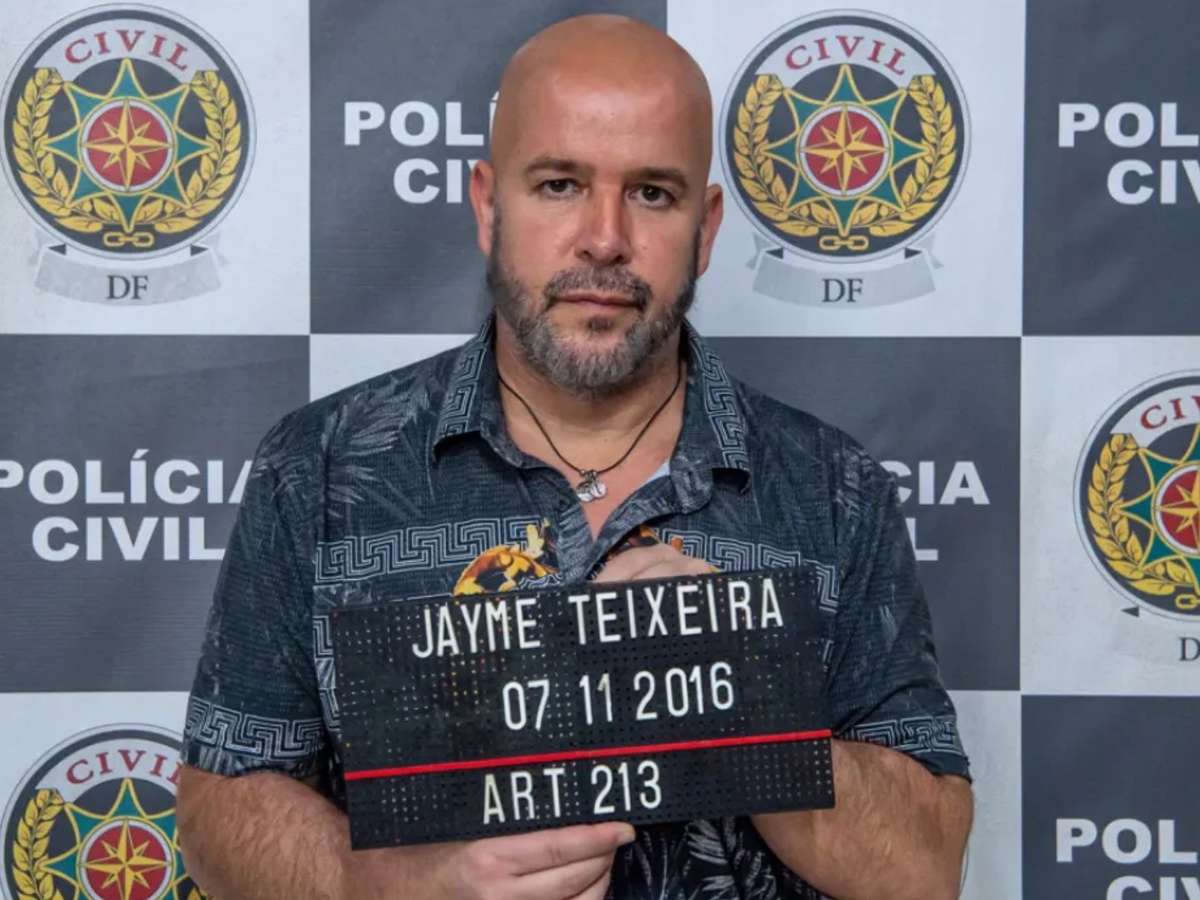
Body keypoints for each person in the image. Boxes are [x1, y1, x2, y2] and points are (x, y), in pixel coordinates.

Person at [176, 13, 973, 900]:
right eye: (559, 185)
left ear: (707, 228)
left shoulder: (834, 489)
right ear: (489, 208)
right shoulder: (319, 469)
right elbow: (221, 803)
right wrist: (392, 885)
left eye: (653, 194)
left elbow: (925, 867)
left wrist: (742, 690)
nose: (604, 238)